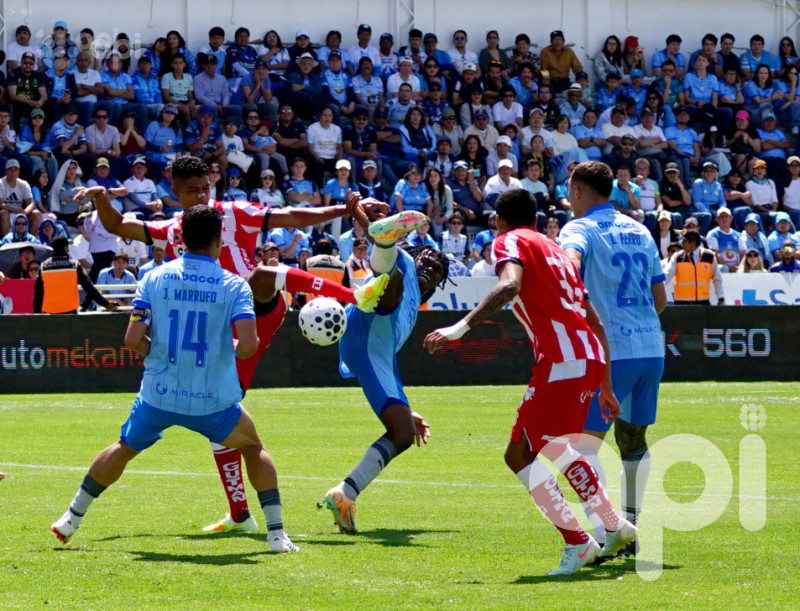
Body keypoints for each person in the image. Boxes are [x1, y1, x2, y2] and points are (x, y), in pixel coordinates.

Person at [79, 155, 391, 533]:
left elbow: (291, 216)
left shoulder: (233, 212)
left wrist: (347, 207)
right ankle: (240, 514)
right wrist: (99, 199)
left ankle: (355, 293)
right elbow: (116, 224)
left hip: (255, 314)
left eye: (206, 187)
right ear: (174, 192)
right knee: (222, 417)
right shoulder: (173, 228)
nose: (202, 196)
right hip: (220, 335)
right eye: (192, 190)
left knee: (260, 275)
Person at [50, 205, 300, 552]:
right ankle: (276, 536)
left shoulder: (153, 278)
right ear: (218, 240)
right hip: (211, 401)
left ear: (181, 238)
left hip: (160, 395)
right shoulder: (235, 286)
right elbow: (248, 348)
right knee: (253, 447)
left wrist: (157, 351)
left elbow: (132, 340)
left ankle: (71, 518)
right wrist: (226, 348)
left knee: (123, 447)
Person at [424, 188, 636, 575]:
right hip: (586, 356)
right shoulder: (557, 250)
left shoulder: (510, 240)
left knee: (523, 455)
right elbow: (596, 322)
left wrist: (460, 328)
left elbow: (510, 285)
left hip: (562, 360)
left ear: (499, 221)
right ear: (537, 220)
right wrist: (604, 385)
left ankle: (578, 542)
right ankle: (613, 525)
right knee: (547, 450)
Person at [559, 161, 667, 555]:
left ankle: (608, 532)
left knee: (583, 447)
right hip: (650, 349)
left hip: (610, 353)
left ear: (579, 192)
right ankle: (632, 524)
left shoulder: (579, 228)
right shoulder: (639, 229)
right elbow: (660, 300)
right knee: (633, 442)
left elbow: (569, 260)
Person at [322, 208, 446, 534]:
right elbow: (371, 229)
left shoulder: (414, 312)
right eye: (429, 262)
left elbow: (385, 355)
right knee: (392, 277)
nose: (431, 270)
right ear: (417, 256)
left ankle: (344, 494)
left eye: (438, 272)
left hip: (370, 347)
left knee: (402, 432)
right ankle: (386, 242)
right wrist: (360, 214)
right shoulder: (405, 260)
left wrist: (404, 408)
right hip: (368, 318)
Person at [34, 235, 115, 314]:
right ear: (66, 249)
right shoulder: (74, 265)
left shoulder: (43, 266)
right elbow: (89, 287)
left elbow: (38, 293)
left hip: (49, 311)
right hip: (70, 311)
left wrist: (36, 314)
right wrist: (105, 304)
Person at [664, 229, 724, 305]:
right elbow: (667, 274)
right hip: (681, 303)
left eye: (684, 241)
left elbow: (717, 279)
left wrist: (720, 297)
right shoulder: (677, 256)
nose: (682, 243)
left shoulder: (710, 256)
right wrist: (657, 287)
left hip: (703, 303)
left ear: (693, 242)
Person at [706, 207, 743, 272]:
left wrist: (739, 267)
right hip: (720, 267)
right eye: (721, 217)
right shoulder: (713, 234)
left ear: (731, 218)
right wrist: (730, 267)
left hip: (737, 267)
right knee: (724, 268)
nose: (724, 219)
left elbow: (743, 253)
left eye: (726, 216)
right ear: (717, 219)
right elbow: (715, 254)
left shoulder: (738, 235)